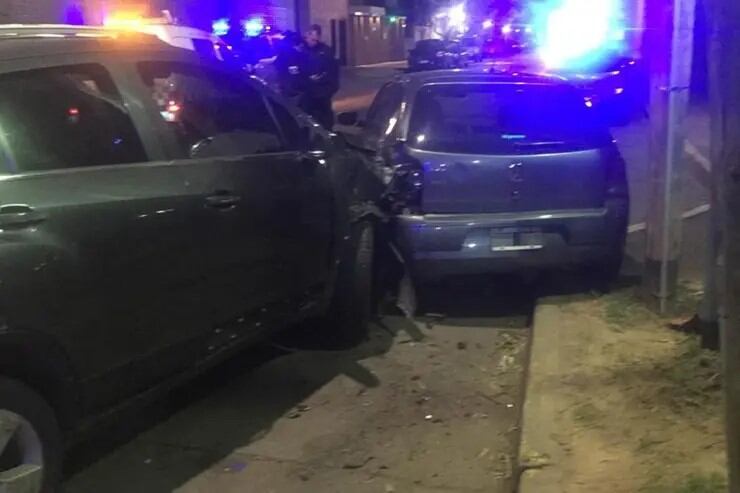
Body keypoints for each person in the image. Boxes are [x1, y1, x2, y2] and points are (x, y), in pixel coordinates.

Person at [300, 24, 340, 129]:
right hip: (307, 93)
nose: (311, 40)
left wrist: (328, 90)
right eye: (309, 37)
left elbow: (332, 72)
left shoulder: (326, 51)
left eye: (314, 38)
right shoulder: (302, 50)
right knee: (306, 120)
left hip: (322, 92)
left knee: (325, 119)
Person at [274, 32, 308, 106]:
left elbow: (277, 66)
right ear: (300, 45)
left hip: (285, 88)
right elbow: (297, 74)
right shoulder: (298, 56)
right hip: (295, 91)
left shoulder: (284, 54)